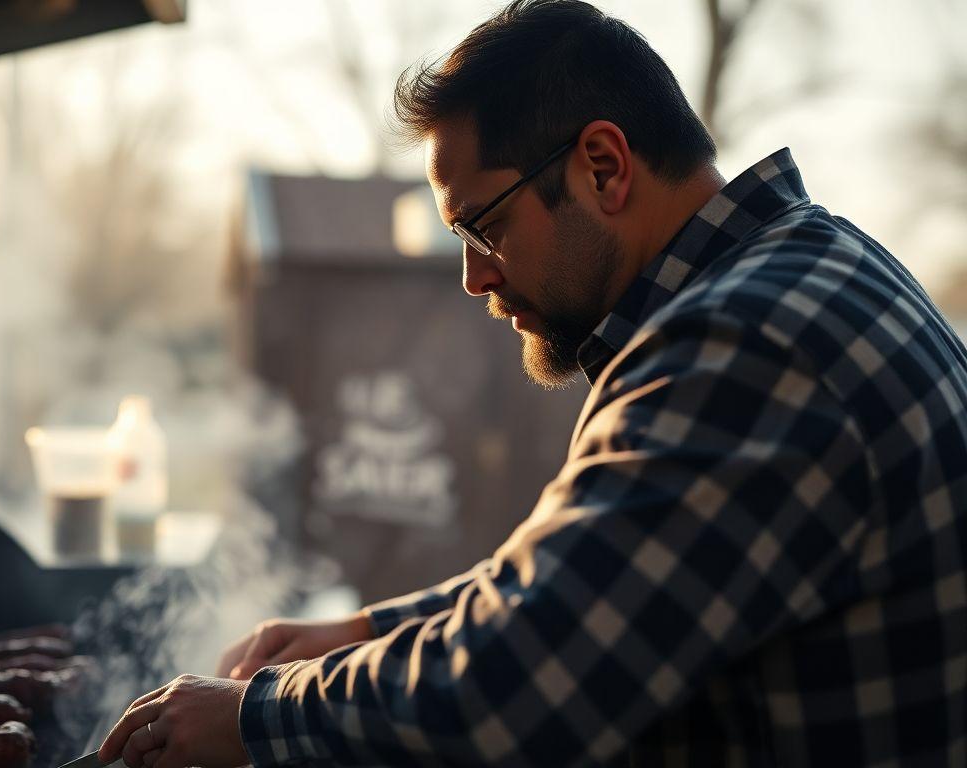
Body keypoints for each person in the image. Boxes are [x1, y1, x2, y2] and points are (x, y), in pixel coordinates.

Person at [98, 1, 967, 765]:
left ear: (603, 166)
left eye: (484, 226)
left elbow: (519, 687)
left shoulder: (743, 342)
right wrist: (364, 632)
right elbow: (592, 577)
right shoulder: (806, 267)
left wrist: (255, 719)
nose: (475, 278)